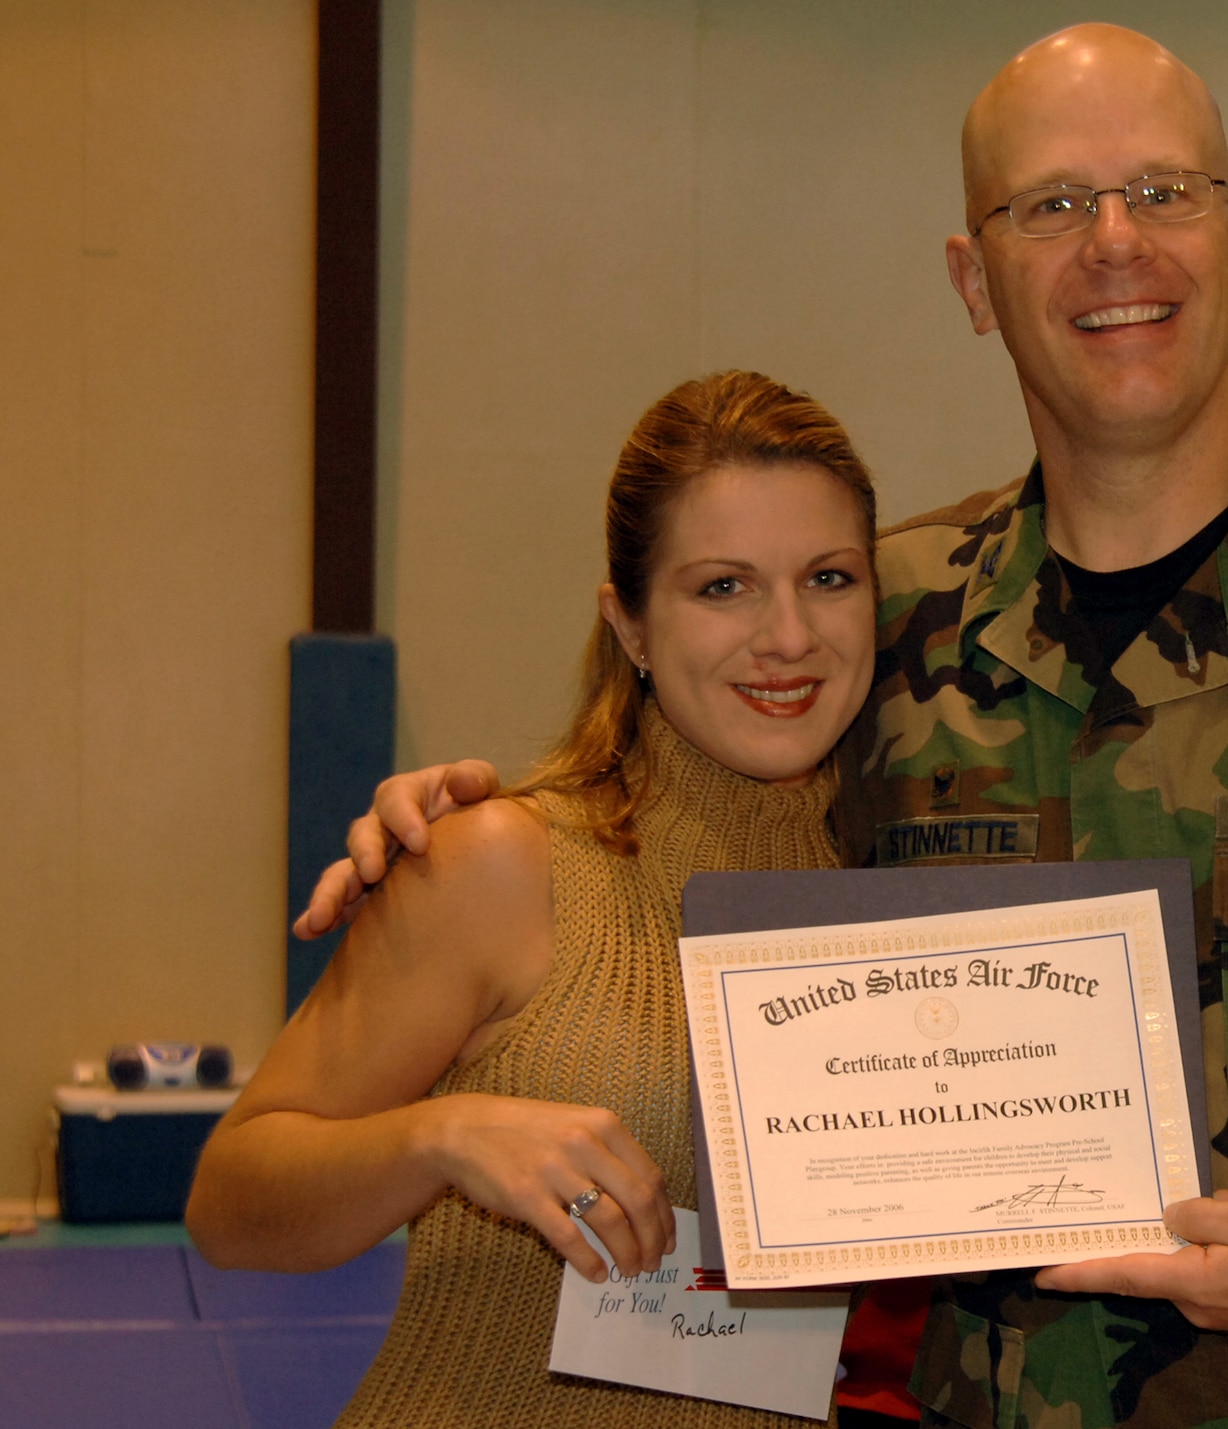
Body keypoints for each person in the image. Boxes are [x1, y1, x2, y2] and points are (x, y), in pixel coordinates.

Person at [301, 25, 1228, 1429]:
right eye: (1051, 204)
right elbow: (662, 825)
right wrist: (462, 823)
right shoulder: (878, 623)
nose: (1116, 242)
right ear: (974, 278)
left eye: (1163, 191)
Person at [189, 370, 880, 1427]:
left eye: (828, 578)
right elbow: (230, 1205)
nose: (788, 635)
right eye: (722, 587)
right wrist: (444, 1136)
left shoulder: (906, 891)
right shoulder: (499, 863)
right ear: (632, 625)